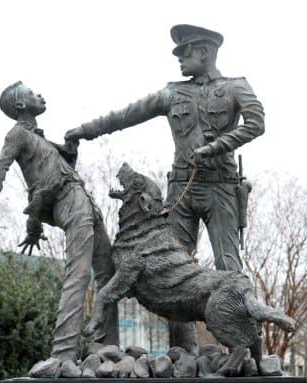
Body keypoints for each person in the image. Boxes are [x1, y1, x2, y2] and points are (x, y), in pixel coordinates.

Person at [65, 24, 265, 351]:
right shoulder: (172, 93)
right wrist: (84, 131)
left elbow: (257, 125)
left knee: (229, 265)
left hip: (221, 189)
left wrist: (217, 146)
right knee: (171, 272)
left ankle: (251, 351)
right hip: (180, 193)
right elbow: (126, 115)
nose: (180, 60)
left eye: (186, 53)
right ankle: (181, 354)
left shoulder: (235, 88)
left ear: (204, 52)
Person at [0, 82, 118, 376]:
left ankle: (107, 347)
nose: (40, 95)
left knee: (108, 271)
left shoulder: (43, 140)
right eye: (33, 94)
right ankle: (63, 353)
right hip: (68, 201)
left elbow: (52, 168)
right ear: (20, 105)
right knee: (79, 271)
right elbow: (1, 168)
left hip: (84, 200)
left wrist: (70, 150)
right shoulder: (17, 134)